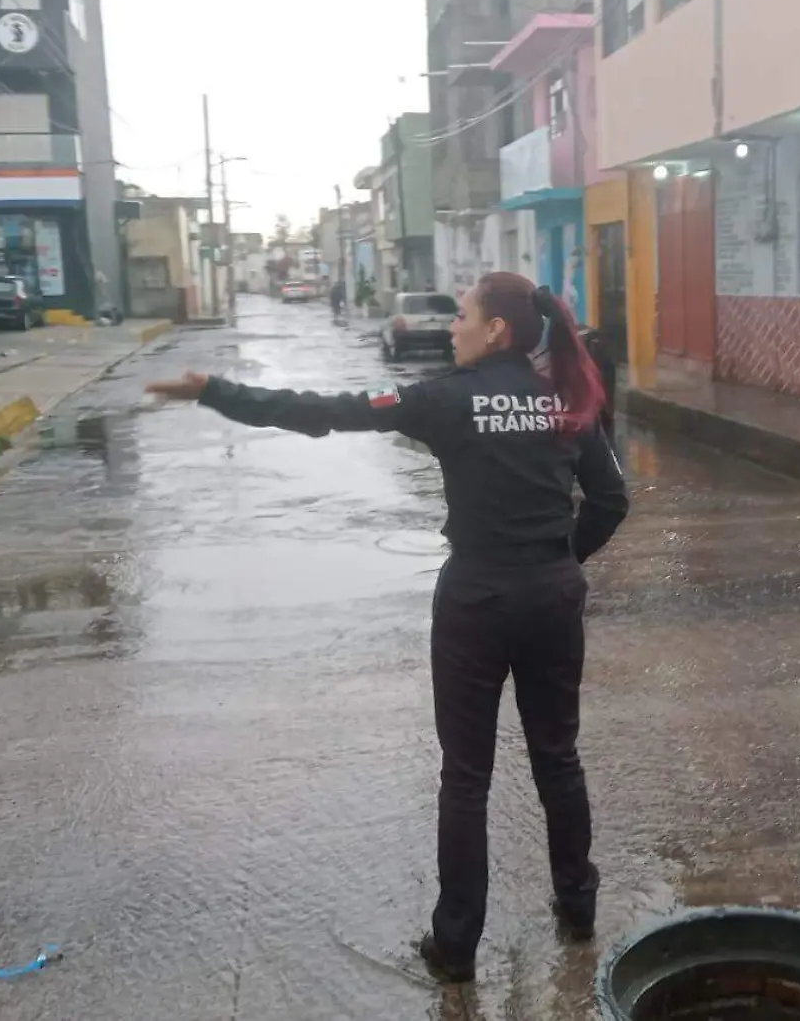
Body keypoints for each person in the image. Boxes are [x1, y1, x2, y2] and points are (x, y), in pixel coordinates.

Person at [144, 271, 628, 984]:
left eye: (463, 315)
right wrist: (559, 562)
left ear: (496, 329)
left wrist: (216, 392)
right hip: (551, 596)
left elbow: (326, 411)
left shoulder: (442, 398)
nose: (453, 326)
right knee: (557, 756)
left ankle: (456, 946)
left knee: (467, 776)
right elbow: (610, 500)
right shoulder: (565, 399)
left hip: (475, 599)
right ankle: (578, 906)